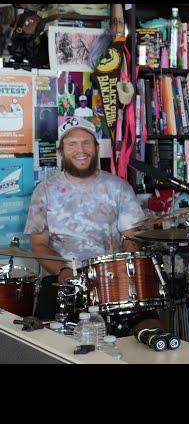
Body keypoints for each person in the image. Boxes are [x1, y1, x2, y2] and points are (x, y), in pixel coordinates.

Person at [24, 117, 159, 335]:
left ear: (96, 148)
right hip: (64, 280)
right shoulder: (45, 191)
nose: (81, 150)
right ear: (61, 151)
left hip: (113, 280)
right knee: (45, 339)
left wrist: (124, 273)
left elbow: (132, 238)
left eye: (86, 142)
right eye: (72, 144)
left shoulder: (118, 188)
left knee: (150, 329)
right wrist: (64, 272)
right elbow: (38, 244)